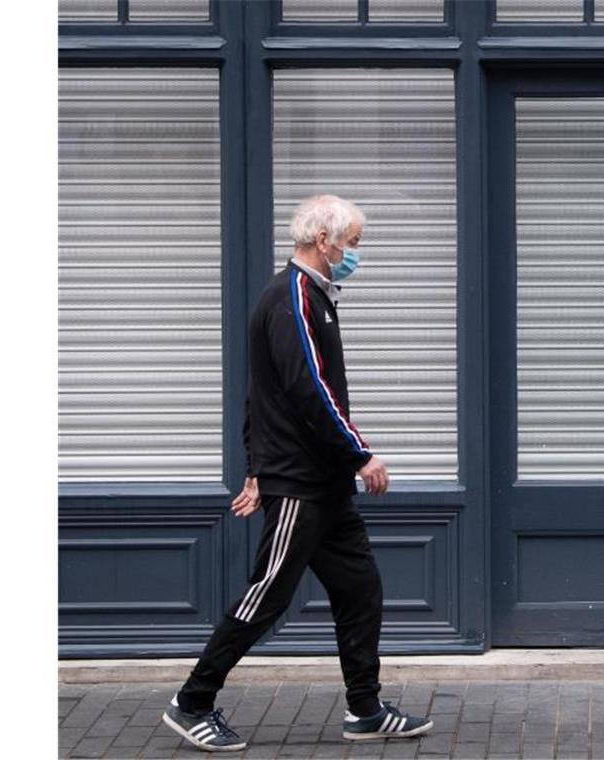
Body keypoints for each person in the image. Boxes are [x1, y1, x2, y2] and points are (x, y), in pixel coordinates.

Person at [161, 194, 432, 752]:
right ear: (322, 240)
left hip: (323, 486)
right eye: (352, 243)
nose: (355, 253)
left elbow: (264, 395)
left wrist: (259, 467)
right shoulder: (292, 300)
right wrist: (361, 454)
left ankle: (365, 710)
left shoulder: (314, 298)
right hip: (303, 486)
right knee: (267, 595)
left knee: (360, 589)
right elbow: (309, 389)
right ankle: (192, 701)